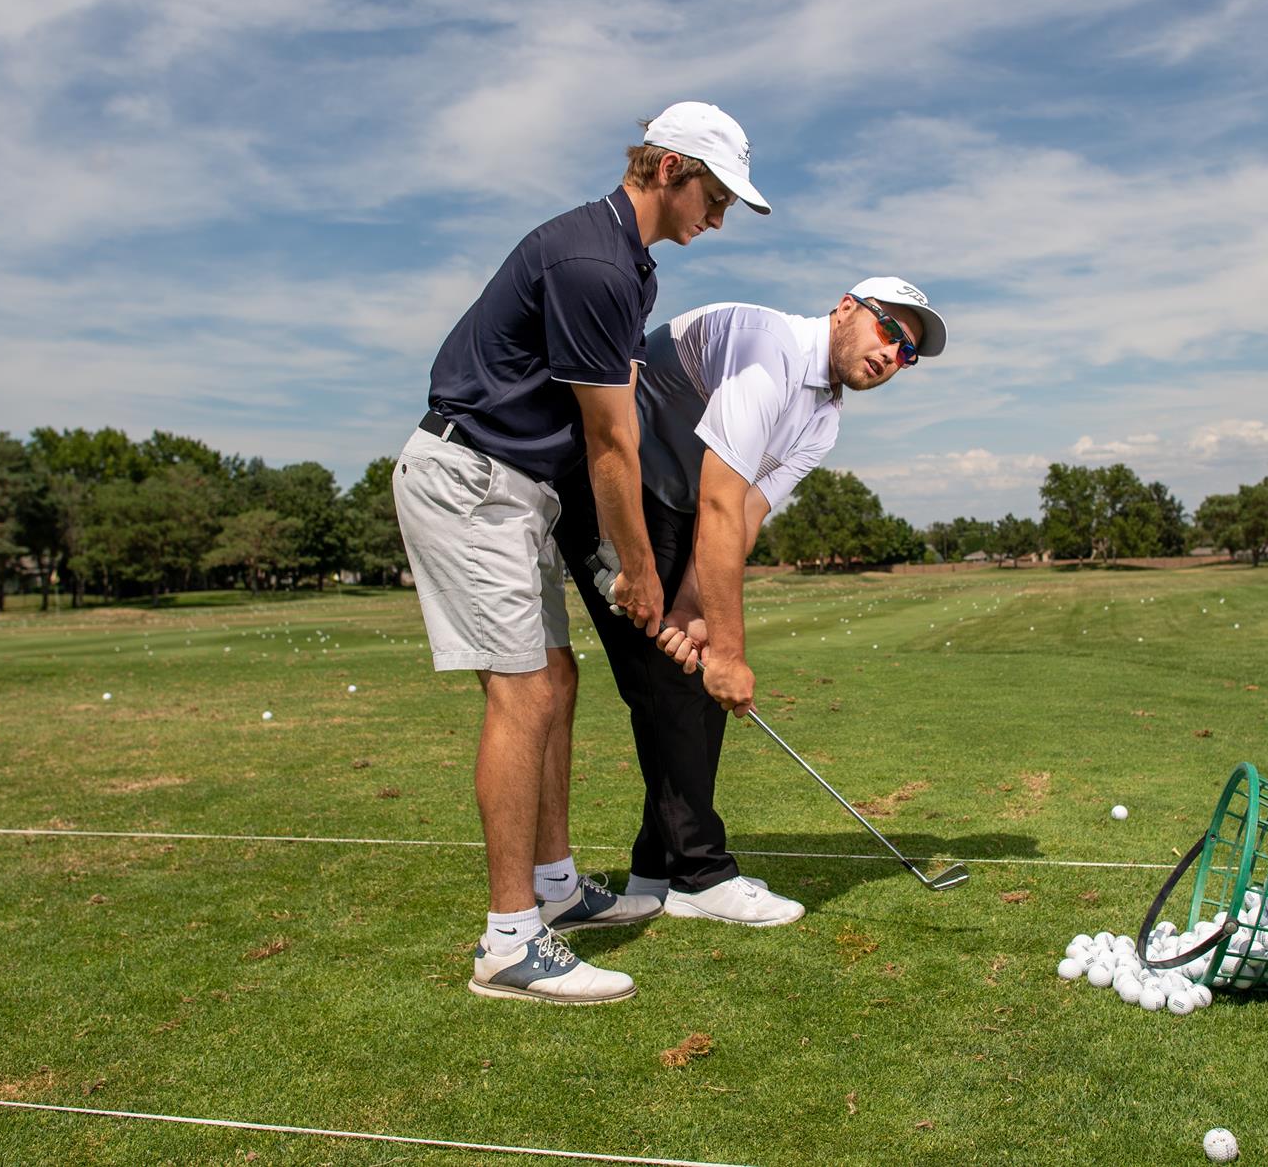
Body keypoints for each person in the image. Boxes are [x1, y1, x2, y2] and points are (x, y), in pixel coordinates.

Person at [393, 102, 770, 1004]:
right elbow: (611, 447)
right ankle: (509, 940)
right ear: (670, 168)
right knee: (524, 691)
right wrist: (636, 571)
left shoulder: (628, 265)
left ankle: (556, 889)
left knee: (556, 679)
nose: (718, 216)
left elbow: (599, 442)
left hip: (520, 491)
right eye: (715, 194)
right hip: (472, 478)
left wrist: (616, 561)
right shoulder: (596, 263)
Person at [555, 278, 948, 926]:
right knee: (671, 683)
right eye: (889, 330)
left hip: (681, 509)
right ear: (848, 307)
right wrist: (728, 654)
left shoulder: (824, 417)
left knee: (693, 676)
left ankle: (657, 868)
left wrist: (696, 610)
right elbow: (716, 499)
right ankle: (701, 873)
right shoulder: (768, 349)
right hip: (609, 485)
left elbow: (743, 512)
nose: (892, 355)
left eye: (907, 353)